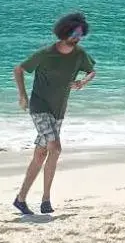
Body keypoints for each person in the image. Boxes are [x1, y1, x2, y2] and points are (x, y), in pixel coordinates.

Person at [12, 12, 95, 216]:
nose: (78, 37)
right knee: (55, 148)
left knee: (41, 154)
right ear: (64, 31)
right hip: (39, 107)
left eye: (81, 34)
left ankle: (21, 199)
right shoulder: (46, 53)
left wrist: (83, 82)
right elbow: (19, 69)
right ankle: (46, 199)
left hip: (58, 110)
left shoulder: (80, 55)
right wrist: (22, 96)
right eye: (75, 33)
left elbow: (91, 70)